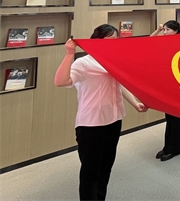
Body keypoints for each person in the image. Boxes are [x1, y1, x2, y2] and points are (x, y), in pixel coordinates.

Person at [54, 24, 147, 200]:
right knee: (90, 171)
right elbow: (60, 81)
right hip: (92, 124)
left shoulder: (114, 60)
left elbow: (119, 84)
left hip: (114, 120)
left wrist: (135, 103)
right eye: (110, 39)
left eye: (116, 39)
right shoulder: (84, 63)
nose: (114, 43)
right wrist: (69, 54)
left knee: (106, 167)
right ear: (97, 41)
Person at [150, 20, 180, 161]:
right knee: (169, 117)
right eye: (164, 29)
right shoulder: (163, 42)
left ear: (176, 31)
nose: (165, 32)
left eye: (167, 30)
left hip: (177, 84)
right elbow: (148, 41)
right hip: (166, 84)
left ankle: (175, 148)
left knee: (175, 117)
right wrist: (158, 30)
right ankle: (168, 146)